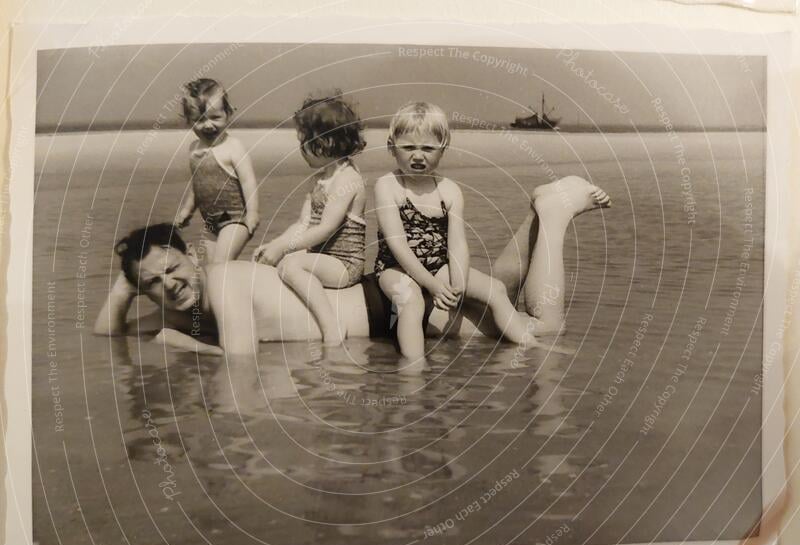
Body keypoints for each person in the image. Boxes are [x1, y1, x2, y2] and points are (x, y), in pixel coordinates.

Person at [95, 176, 610, 357]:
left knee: (542, 331)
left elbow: (240, 360)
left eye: (171, 269)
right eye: (155, 285)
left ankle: (555, 214)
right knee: (499, 293)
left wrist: (180, 344)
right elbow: (108, 337)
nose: (171, 286)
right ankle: (539, 212)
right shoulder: (190, 305)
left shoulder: (223, 284)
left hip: (377, 313)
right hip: (376, 307)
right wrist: (125, 287)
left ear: (189, 254)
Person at [374, 102, 550, 364]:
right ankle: (414, 365)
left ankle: (530, 346)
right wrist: (432, 286)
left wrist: (458, 284)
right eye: (408, 147)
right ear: (391, 147)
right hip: (395, 267)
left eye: (428, 148)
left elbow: (457, 244)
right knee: (411, 302)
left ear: (443, 150)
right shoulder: (388, 186)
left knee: (496, 289)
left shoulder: (449, 190)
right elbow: (398, 245)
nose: (418, 155)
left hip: (439, 264)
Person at [252, 93, 367, 344]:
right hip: (323, 257)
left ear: (324, 142)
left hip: (344, 264)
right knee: (283, 260)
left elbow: (325, 229)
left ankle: (331, 325)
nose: (301, 149)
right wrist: (275, 245)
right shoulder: (320, 179)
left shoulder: (347, 179)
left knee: (292, 265)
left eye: (303, 142)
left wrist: (284, 248)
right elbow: (303, 224)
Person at [174, 78, 259, 263]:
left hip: (235, 219)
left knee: (221, 265)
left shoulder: (233, 147)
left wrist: (253, 213)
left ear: (228, 114)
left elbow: (248, 181)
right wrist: (187, 210)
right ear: (189, 121)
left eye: (215, 117)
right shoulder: (194, 149)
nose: (208, 125)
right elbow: (197, 184)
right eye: (199, 120)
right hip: (210, 223)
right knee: (211, 271)